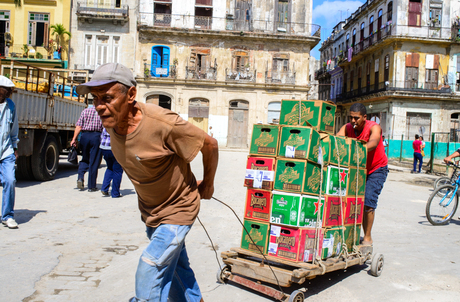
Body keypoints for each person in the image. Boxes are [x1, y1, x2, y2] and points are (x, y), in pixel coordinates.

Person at [75, 63, 219, 302]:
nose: (100, 106)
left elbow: (210, 144)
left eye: (107, 97)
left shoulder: (162, 123)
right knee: (179, 276)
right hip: (152, 214)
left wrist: (208, 185)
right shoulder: (112, 121)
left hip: (178, 210)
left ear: (131, 95)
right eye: (95, 99)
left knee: (150, 268)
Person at [337, 103, 388, 246]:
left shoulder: (374, 127)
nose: (353, 121)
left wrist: (357, 148)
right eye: (351, 118)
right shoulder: (347, 128)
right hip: (358, 169)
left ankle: (367, 237)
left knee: (368, 201)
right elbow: (338, 140)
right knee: (352, 201)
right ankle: (351, 234)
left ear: (364, 117)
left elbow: (374, 142)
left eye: (356, 118)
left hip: (376, 169)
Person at [0, 76, 19, 229]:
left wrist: (15, 148)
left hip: (6, 151)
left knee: (10, 180)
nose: (3, 94)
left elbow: (13, 129)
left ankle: (7, 216)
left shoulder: (10, 106)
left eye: (5, 92)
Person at [71, 105, 103, 191]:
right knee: (94, 161)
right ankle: (91, 186)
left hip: (84, 136)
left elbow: (79, 126)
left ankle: (80, 177)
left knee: (85, 158)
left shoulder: (85, 111)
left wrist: (74, 139)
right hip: (96, 136)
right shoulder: (101, 112)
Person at [99, 128, 123, 198]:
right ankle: (115, 193)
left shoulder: (106, 125)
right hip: (115, 148)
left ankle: (104, 188)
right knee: (118, 170)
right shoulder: (118, 125)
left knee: (109, 168)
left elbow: (101, 136)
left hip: (104, 148)